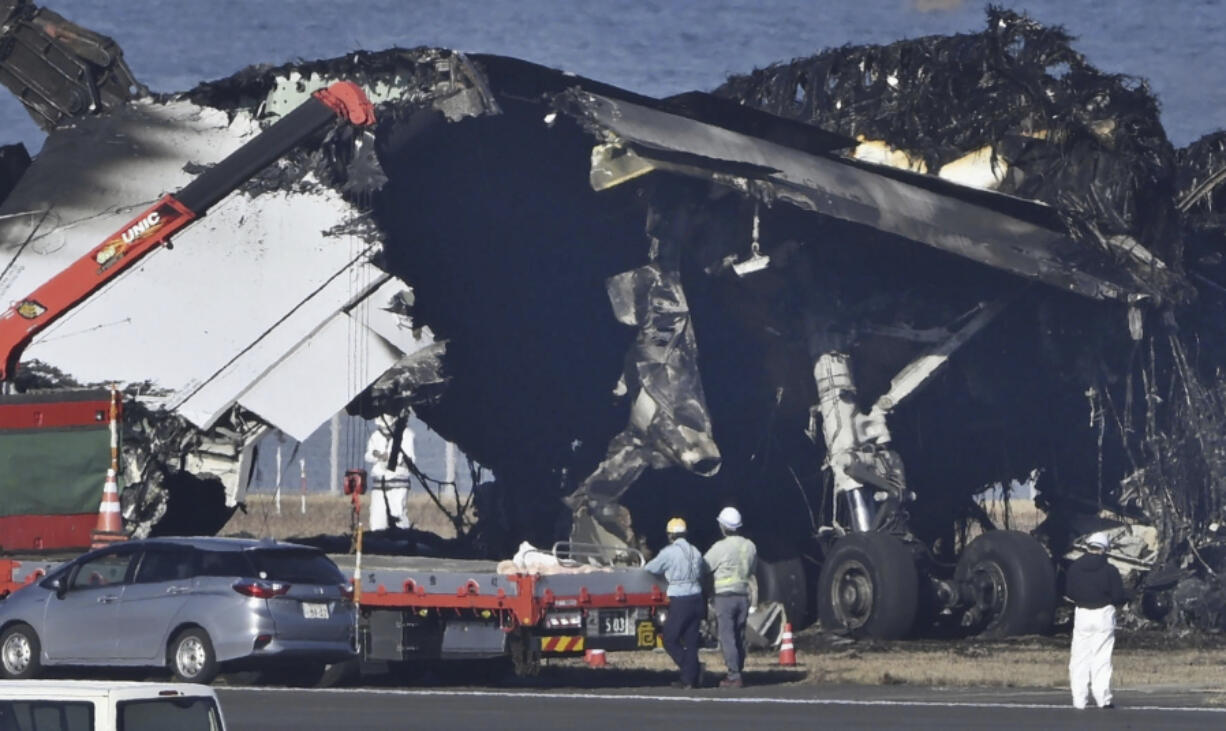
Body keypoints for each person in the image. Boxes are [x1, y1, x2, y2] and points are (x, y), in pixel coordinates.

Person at [1066, 531, 1127, 709]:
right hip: (1103, 614)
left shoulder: (1075, 568)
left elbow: (1069, 592)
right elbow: (1117, 596)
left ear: (1088, 547)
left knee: (1079, 658)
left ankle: (1079, 699)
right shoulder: (1110, 570)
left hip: (1082, 613)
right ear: (1105, 549)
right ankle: (1103, 698)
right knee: (1101, 657)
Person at [644, 517, 706, 689]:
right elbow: (701, 572)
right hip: (697, 598)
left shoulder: (669, 552)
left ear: (670, 535)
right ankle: (689, 680)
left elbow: (651, 568)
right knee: (691, 641)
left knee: (670, 639)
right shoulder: (696, 551)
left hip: (680, 600)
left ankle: (691, 670)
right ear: (685, 534)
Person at [703, 506, 757, 688]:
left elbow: (704, 567)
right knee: (740, 635)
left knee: (727, 636)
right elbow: (753, 570)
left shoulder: (720, 547)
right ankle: (738, 670)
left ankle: (734, 676)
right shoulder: (750, 546)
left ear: (723, 526)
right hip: (743, 595)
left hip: (725, 597)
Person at [364, 419, 414, 531]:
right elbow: (368, 455)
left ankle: (402, 542)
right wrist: (377, 455)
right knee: (377, 520)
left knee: (398, 516)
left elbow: (410, 458)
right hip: (379, 483)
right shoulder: (376, 435)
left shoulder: (407, 434)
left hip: (398, 483)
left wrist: (394, 460)